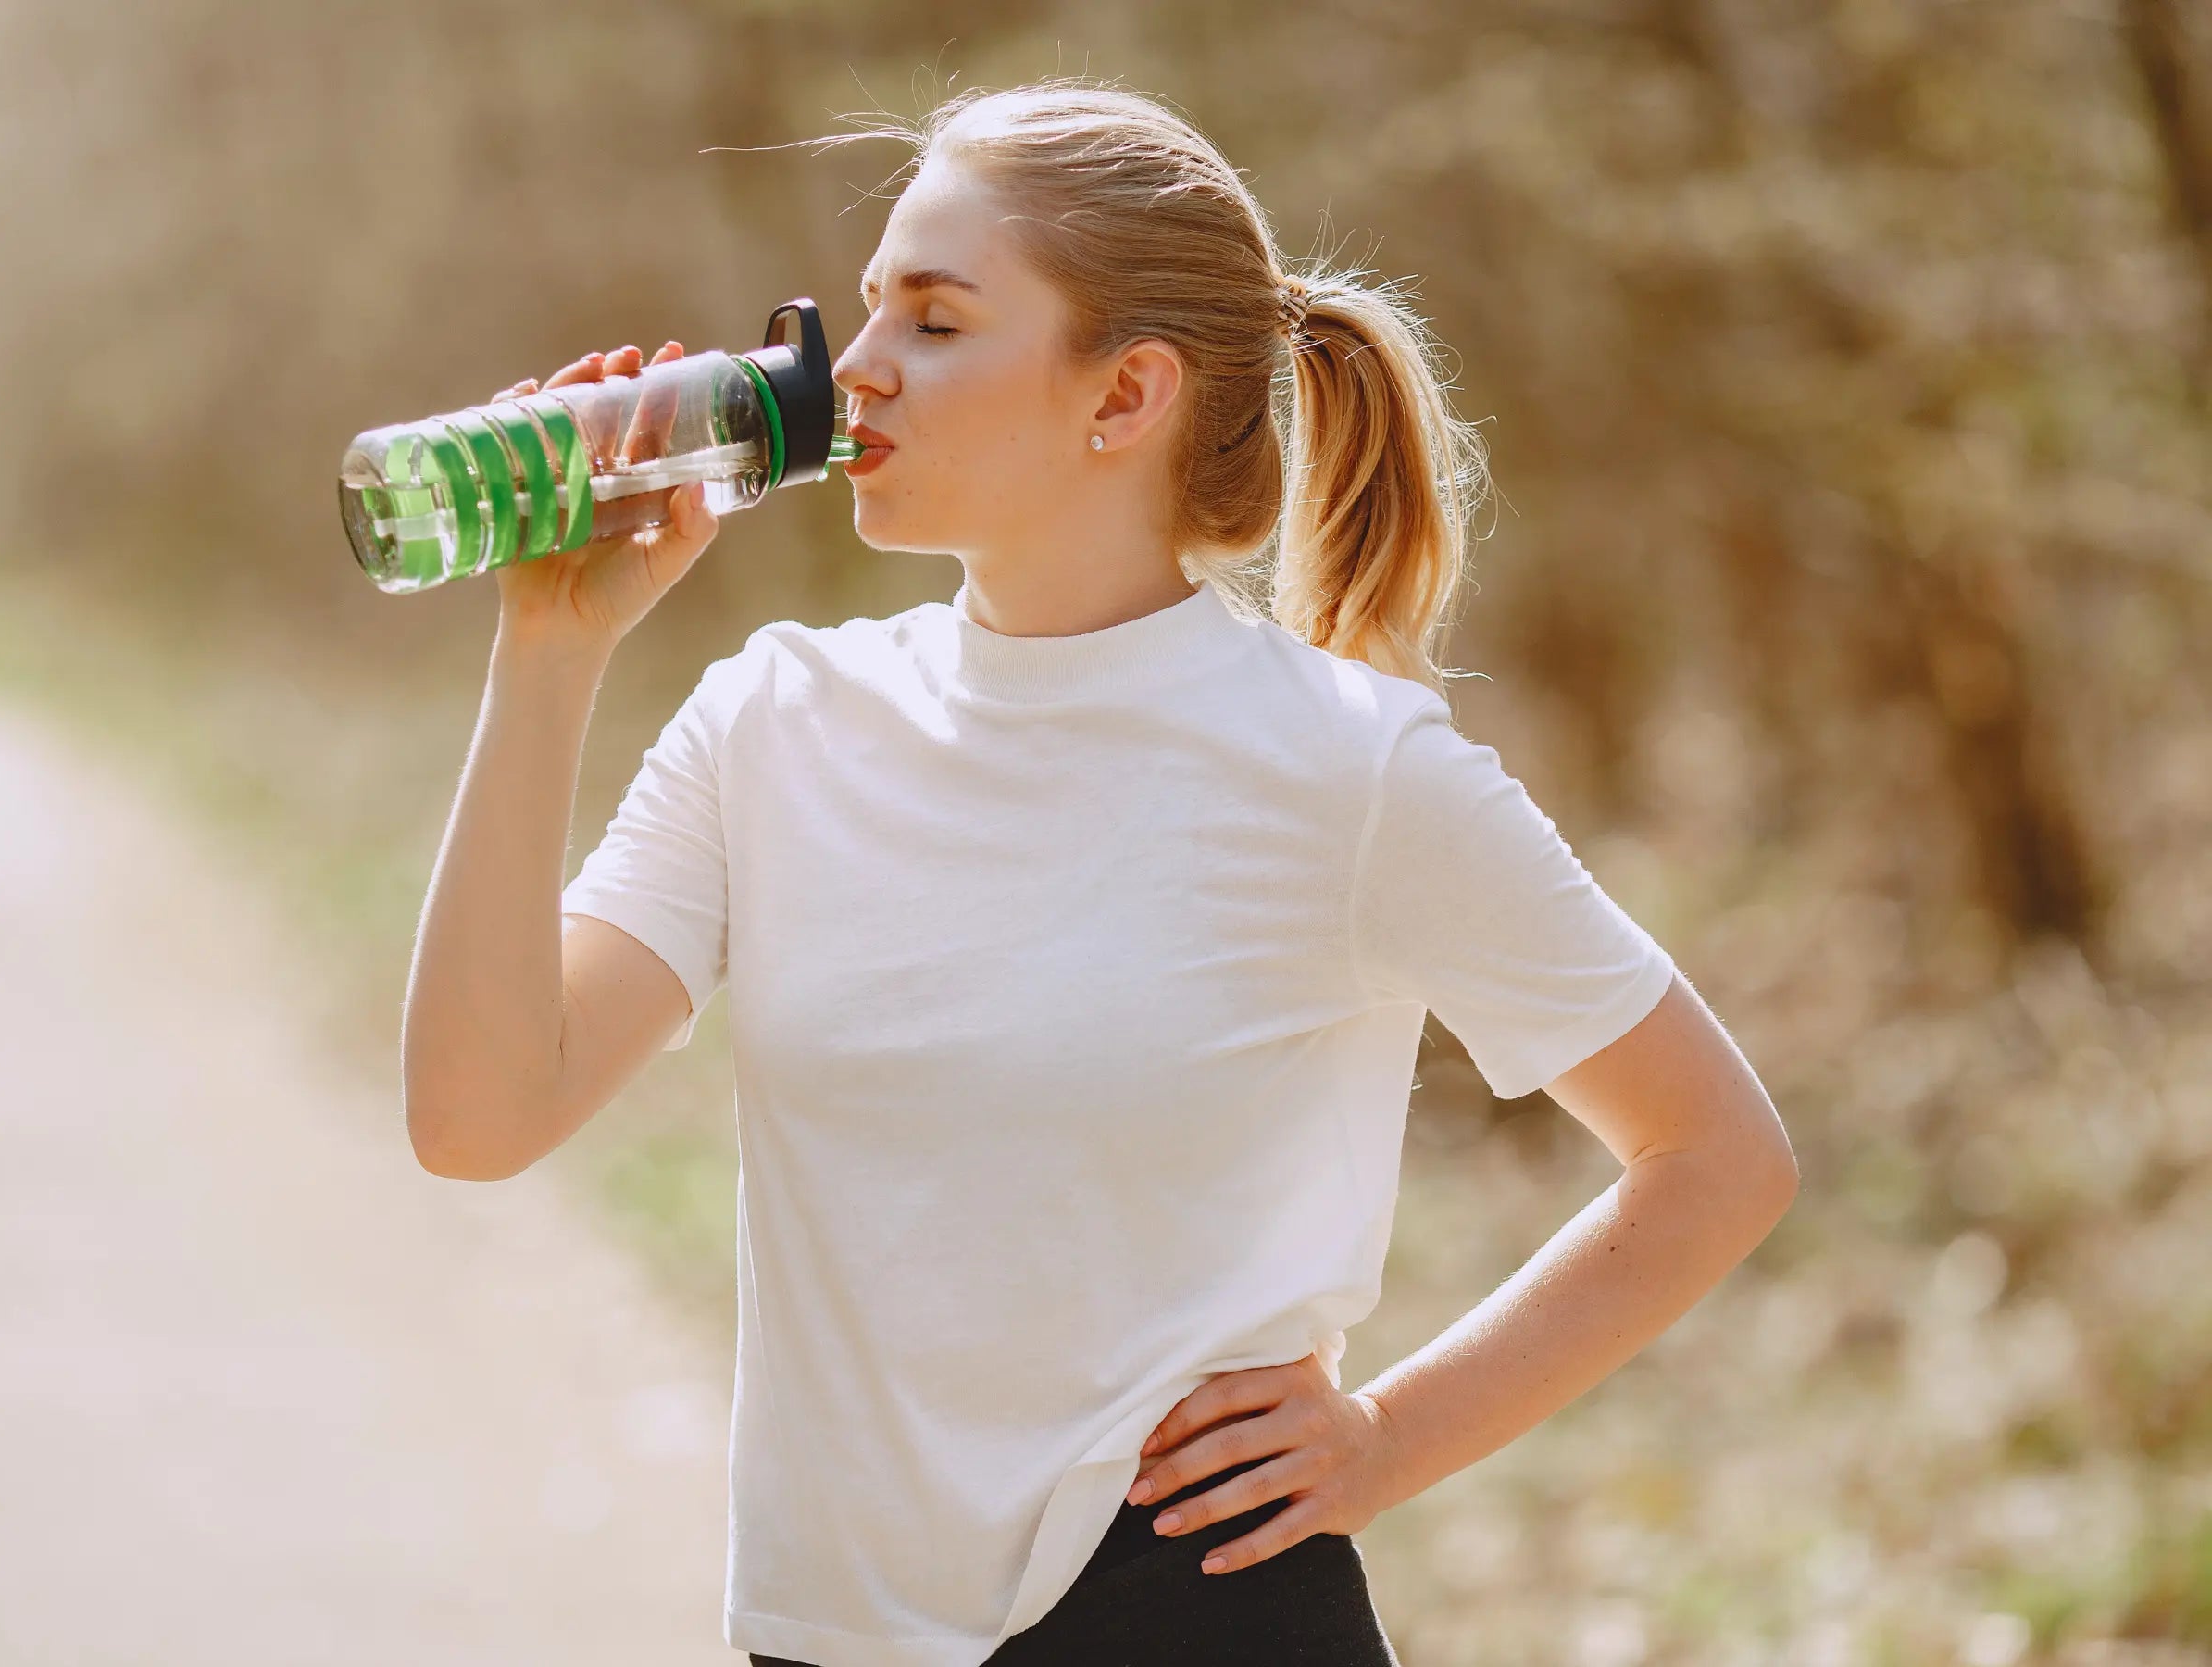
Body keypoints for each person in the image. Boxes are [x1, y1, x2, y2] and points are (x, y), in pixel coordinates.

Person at [402, 77, 1799, 1667]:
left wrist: (1390, 1441)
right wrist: (549, 652)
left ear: (1123, 395)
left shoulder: (1347, 769)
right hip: (828, 1636)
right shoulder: (772, 722)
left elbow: (1715, 1156)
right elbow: (478, 1116)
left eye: (934, 322)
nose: (852, 370)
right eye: (868, 311)